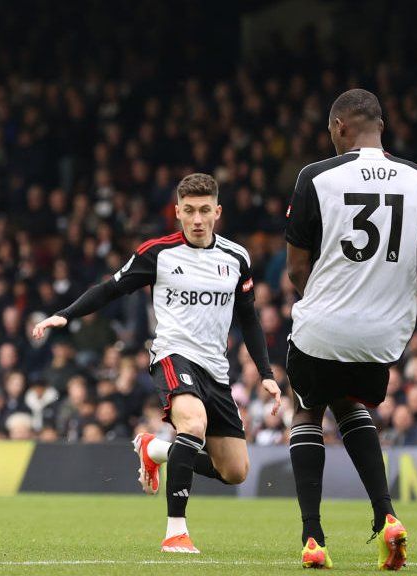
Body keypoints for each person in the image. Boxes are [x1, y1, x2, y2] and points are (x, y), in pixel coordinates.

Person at [32, 173, 280, 554]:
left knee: (234, 471)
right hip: (172, 355)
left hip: (216, 369)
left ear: (217, 211)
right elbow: (112, 287)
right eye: (189, 211)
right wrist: (66, 314)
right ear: (177, 212)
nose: (197, 219)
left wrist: (265, 374)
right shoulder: (158, 253)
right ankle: (175, 531)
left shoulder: (236, 258)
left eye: (204, 211)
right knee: (193, 423)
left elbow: (248, 318)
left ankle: (156, 450)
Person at [284, 89, 417, 570]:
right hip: (383, 339)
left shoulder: (315, 177)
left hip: (325, 327)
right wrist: (382, 298)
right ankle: (387, 516)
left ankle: (312, 536)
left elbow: (297, 268)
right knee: (350, 401)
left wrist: (335, 300)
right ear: (382, 125)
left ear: (339, 127)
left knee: (307, 410)